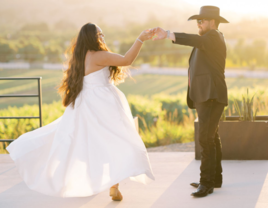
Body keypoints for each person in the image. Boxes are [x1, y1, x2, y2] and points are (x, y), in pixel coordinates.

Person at [6, 23, 155, 200]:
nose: (102, 37)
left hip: (86, 105)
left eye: (102, 34)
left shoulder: (80, 57)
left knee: (90, 143)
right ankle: (113, 185)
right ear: (91, 37)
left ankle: (112, 185)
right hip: (103, 105)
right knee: (117, 141)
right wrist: (140, 39)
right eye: (99, 34)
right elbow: (126, 60)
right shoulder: (98, 55)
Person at [151, 6, 229, 197]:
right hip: (206, 95)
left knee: (206, 138)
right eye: (197, 21)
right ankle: (214, 179)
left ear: (212, 22)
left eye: (201, 20)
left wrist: (169, 34)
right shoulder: (208, 40)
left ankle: (207, 183)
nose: (198, 23)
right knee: (212, 137)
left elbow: (194, 40)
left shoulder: (213, 37)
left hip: (211, 95)